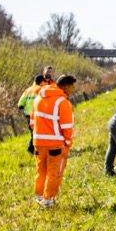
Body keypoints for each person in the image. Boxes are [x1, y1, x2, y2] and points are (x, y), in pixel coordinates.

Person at [32, 74, 77, 208]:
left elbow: (33, 122)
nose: (72, 90)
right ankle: (48, 200)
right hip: (55, 144)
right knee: (54, 173)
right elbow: (67, 127)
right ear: (66, 86)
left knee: (41, 171)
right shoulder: (62, 102)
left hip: (38, 143)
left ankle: (39, 196)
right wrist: (68, 143)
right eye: (72, 87)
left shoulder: (38, 98)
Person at [18, 74, 47, 154]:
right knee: (37, 131)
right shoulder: (41, 89)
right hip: (36, 113)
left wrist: (22, 107)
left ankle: (33, 149)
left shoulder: (28, 90)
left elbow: (20, 103)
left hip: (27, 114)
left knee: (32, 130)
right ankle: (31, 149)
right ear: (41, 82)